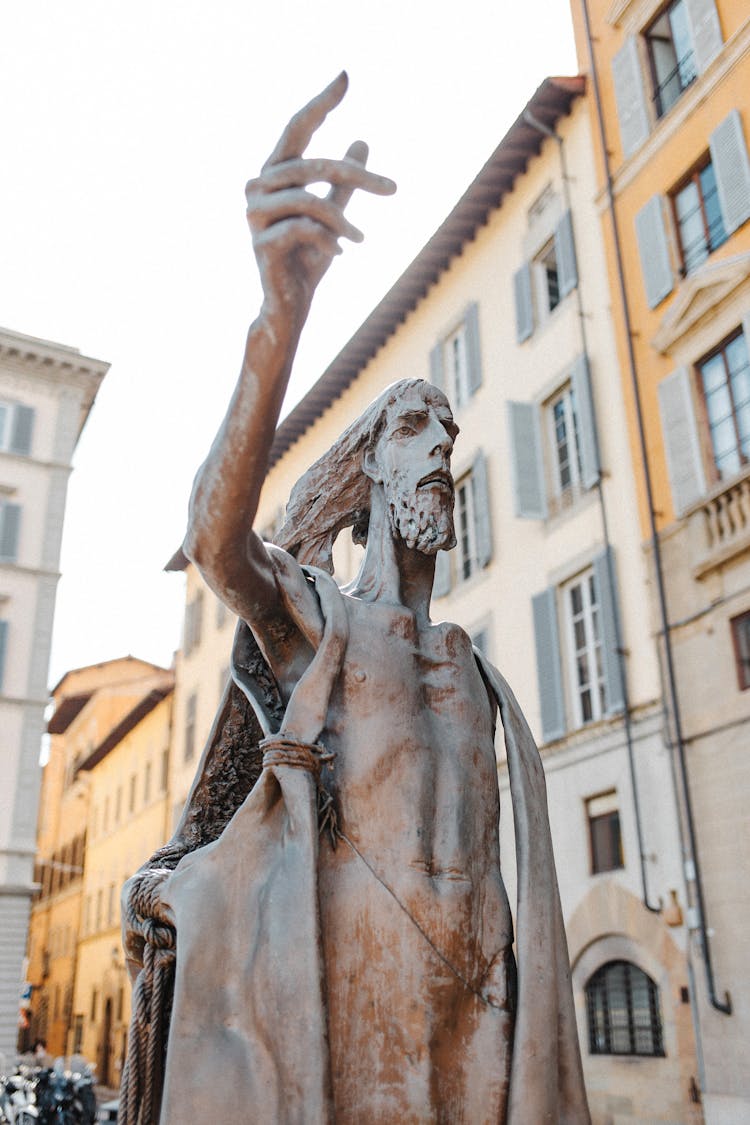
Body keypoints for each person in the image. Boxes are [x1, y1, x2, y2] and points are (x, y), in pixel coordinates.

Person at [121, 73, 590, 1124]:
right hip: (349, 1016)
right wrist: (278, 320)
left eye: (450, 439)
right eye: (418, 431)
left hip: (478, 1009)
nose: (444, 456)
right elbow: (216, 542)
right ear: (373, 467)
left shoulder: (473, 669)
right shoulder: (324, 627)